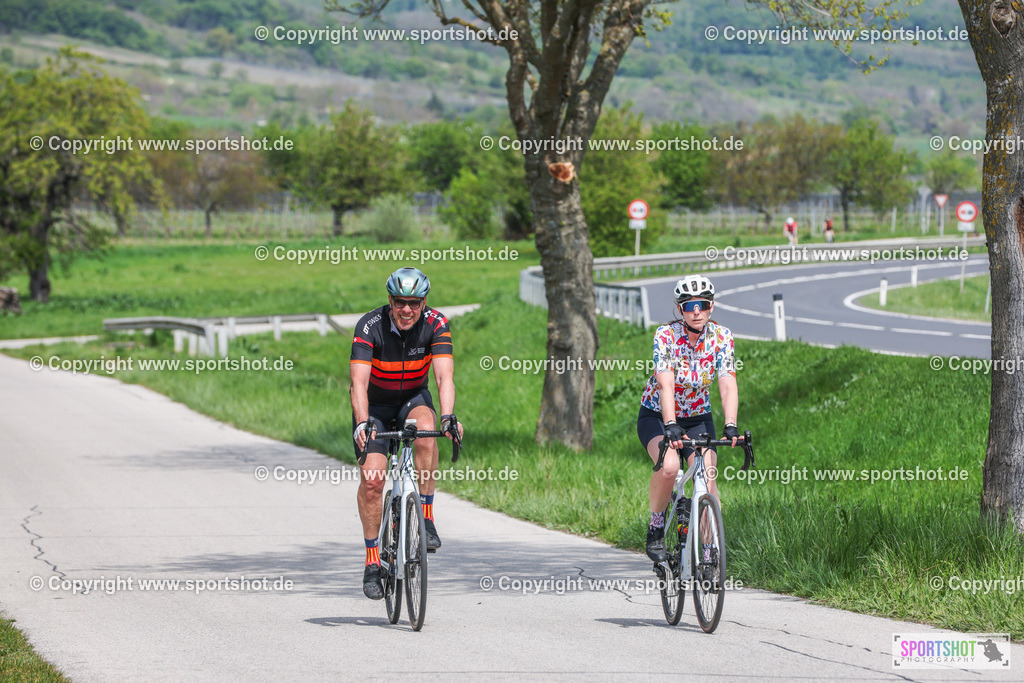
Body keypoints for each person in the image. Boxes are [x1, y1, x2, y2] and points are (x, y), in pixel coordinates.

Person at [350, 267, 463, 600]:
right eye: (400, 302)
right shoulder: (370, 326)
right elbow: (357, 382)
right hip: (375, 409)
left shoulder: (436, 324)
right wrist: (361, 422)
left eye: (414, 303)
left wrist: (448, 417)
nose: (407, 310)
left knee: (427, 431)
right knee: (372, 481)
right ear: (390, 300)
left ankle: (425, 517)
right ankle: (373, 562)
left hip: (413, 400)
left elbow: (444, 377)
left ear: (424, 302)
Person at [637, 274, 739, 564]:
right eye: (689, 305)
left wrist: (730, 424)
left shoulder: (722, 338)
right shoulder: (666, 336)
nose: (696, 311)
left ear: (711, 306)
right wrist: (670, 426)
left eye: (703, 304)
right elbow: (665, 383)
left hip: (697, 417)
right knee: (669, 467)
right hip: (658, 415)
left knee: (707, 476)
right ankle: (656, 526)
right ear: (680, 309)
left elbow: (728, 382)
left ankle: (709, 554)